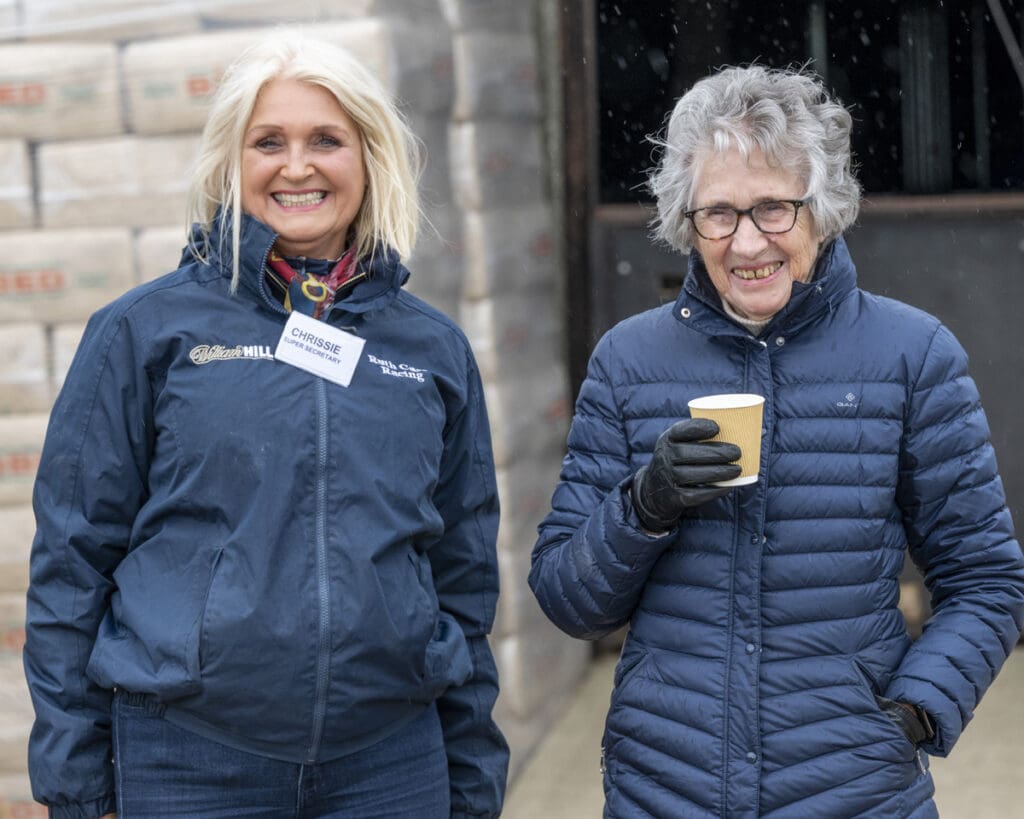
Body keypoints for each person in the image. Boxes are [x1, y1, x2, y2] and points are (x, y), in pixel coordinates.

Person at [24, 31, 508, 819]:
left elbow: (462, 576)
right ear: (231, 160)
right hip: (190, 760)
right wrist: (77, 784)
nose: (297, 166)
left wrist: (472, 776)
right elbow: (72, 561)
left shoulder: (432, 351)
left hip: (389, 763)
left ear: (369, 156)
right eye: (269, 142)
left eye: (327, 140)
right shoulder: (145, 332)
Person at [529, 64, 1024, 818]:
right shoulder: (628, 361)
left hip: (854, 793)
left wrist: (916, 712)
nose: (746, 241)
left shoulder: (911, 354)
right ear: (687, 221)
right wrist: (643, 506)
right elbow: (569, 599)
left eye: (773, 208)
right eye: (718, 213)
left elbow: (986, 580)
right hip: (667, 790)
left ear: (821, 209)